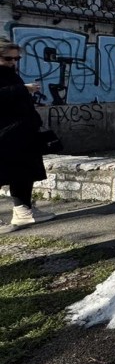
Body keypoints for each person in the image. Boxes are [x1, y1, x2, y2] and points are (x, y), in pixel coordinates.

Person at [0, 37, 55, 228]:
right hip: (5, 134)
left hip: (21, 133)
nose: (13, 62)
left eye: (16, 59)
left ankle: (23, 210)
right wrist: (22, 89)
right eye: (8, 59)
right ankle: (22, 210)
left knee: (23, 173)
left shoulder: (8, 73)